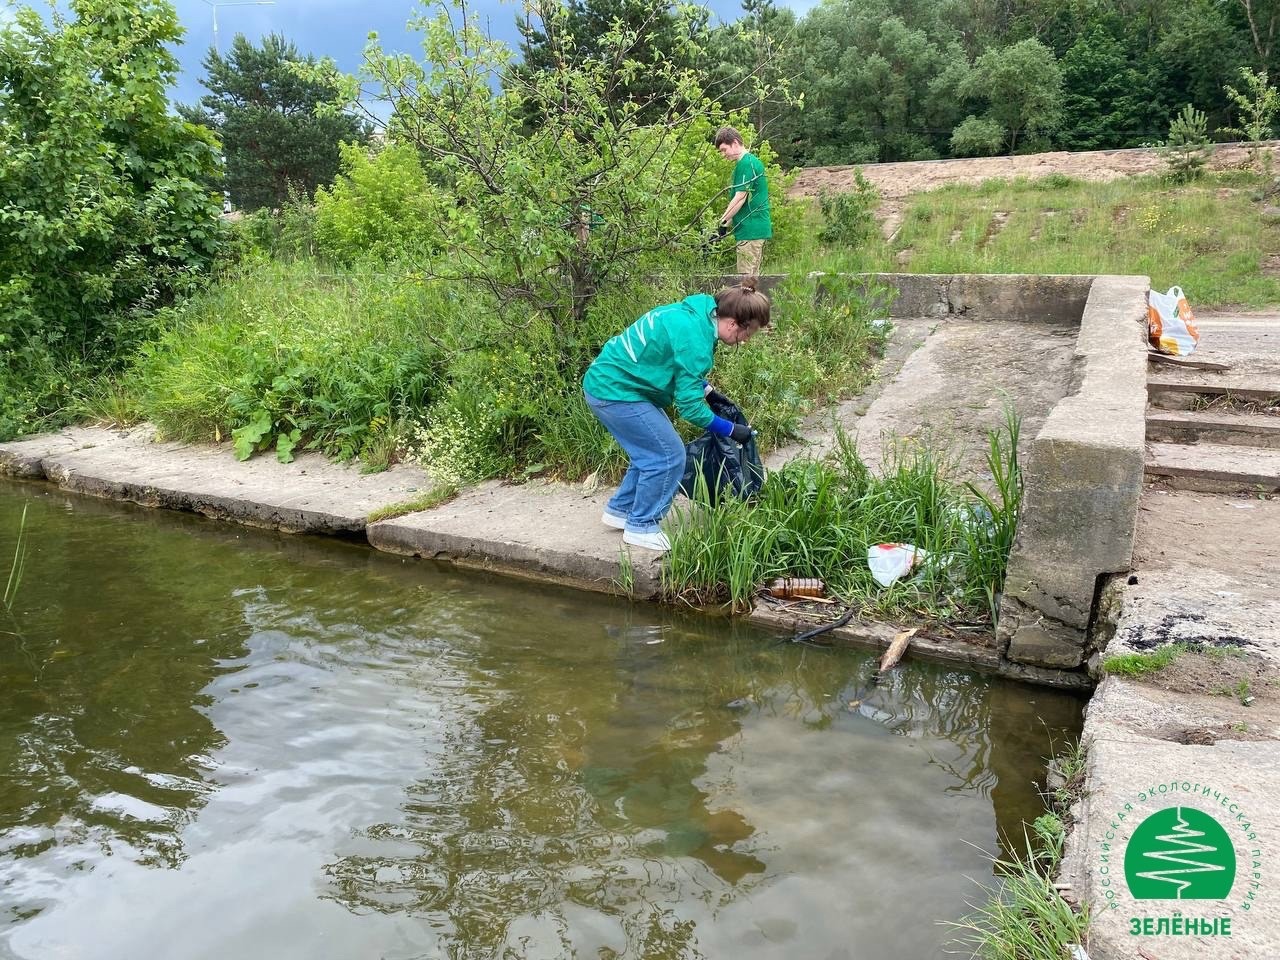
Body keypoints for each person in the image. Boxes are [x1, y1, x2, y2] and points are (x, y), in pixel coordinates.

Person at [582, 280, 772, 552]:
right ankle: (642, 525)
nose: (745, 340)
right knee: (668, 455)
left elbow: (676, 363)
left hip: (612, 383)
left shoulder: (697, 314)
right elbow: (689, 408)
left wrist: (709, 391)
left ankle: (621, 510)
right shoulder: (696, 339)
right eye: (748, 333)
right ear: (733, 323)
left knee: (650, 451)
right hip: (615, 392)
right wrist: (731, 430)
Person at [714, 126, 772, 276]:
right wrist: (725, 225)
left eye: (724, 150)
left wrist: (720, 223)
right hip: (751, 229)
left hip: (750, 229)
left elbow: (740, 197)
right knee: (751, 280)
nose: (723, 155)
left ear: (734, 143)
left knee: (745, 280)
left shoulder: (747, 163)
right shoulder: (746, 163)